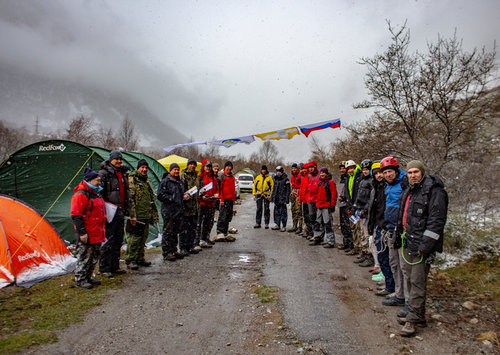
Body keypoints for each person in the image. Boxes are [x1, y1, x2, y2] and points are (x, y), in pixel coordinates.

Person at [396, 160, 448, 337]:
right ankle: (420, 315)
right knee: (411, 279)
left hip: (421, 247)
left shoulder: (435, 192)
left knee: (417, 282)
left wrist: (425, 246)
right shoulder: (409, 190)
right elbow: (403, 216)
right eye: (409, 172)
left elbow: (436, 221)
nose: (412, 175)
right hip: (408, 242)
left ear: (422, 172)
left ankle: (412, 320)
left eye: (415, 172)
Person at [380, 156, 409, 310]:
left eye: (390, 171)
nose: (388, 175)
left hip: (402, 231)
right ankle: (399, 293)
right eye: (385, 173)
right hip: (390, 229)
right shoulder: (388, 186)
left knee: (404, 266)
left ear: (396, 171)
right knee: (394, 263)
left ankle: (407, 298)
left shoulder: (404, 184)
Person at [71, 168, 106, 289]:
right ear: (90, 180)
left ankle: (88, 277)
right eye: (97, 180)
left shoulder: (95, 193)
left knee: (94, 256)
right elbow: (76, 215)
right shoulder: (81, 195)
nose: (99, 182)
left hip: (97, 230)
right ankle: (80, 279)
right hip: (87, 231)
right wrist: (82, 233)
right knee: (85, 256)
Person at [99, 150, 130, 278]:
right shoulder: (104, 174)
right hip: (109, 213)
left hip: (120, 212)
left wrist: (127, 209)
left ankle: (115, 266)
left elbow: (126, 193)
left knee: (118, 240)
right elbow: (100, 194)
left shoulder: (122, 173)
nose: (119, 161)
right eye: (116, 159)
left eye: (120, 159)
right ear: (111, 159)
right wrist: (103, 212)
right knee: (108, 241)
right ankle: (105, 268)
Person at [367, 162, 395, 295]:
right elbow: (373, 208)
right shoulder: (376, 188)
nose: (379, 175)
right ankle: (389, 283)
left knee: (390, 258)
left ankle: (392, 286)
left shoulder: (389, 188)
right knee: (382, 256)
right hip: (378, 225)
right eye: (376, 173)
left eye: (381, 172)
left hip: (388, 226)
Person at [126, 159, 159, 269]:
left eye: (146, 168)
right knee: (134, 239)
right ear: (138, 168)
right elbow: (131, 199)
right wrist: (132, 215)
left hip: (146, 214)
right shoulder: (132, 179)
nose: (144, 170)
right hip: (136, 215)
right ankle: (131, 260)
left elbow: (150, 197)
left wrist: (152, 214)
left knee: (143, 238)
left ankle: (140, 258)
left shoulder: (145, 180)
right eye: (142, 167)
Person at [157, 163, 188, 261]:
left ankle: (173, 249)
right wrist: (171, 198)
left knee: (175, 232)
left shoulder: (179, 182)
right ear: (170, 170)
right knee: (168, 232)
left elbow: (181, 194)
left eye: (177, 169)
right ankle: (167, 252)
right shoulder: (165, 182)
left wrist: (185, 197)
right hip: (169, 211)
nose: (176, 171)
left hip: (178, 211)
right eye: (174, 169)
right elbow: (160, 195)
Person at [354, 159, 375, 267]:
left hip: (366, 212)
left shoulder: (372, 181)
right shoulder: (362, 181)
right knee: (361, 233)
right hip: (360, 209)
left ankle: (369, 256)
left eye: (367, 169)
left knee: (367, 235)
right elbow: (359, 196)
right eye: (363, 170)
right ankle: (364, 253)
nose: (365, 171)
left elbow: (370, 198)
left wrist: (366, 209)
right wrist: (356, 206)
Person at [311, 167, 337, 247]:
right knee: (317, 223)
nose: (322, 174)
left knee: (328, 224)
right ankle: (317, 238)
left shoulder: (330, 182)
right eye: (321, 173)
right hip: (319, 206)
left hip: (326, 206)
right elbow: (317, 195)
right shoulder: (320, 183)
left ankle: (330, 241)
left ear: (326, 173)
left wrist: (332, 205)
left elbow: (334, 194)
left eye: (323, 173)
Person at [197, 160, 219, 248]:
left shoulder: (213, 178)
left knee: (208, 222)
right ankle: (198, 240)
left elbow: (217, 189)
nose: (208, 168)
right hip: (202, 203)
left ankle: (206, 238)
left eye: (209, 167)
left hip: (211, 203)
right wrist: (201, 197)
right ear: (203, 167)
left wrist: (216, 196)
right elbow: (197, 190)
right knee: (199, 223)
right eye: (206, 166)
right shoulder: (199, 177)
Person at [180, 158, 201, 255]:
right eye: (191, 164)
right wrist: (184, 196)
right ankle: (183, 247)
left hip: (195, 206)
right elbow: (181, 190)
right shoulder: (183, 175)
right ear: (188, 165)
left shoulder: (197, 176)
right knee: (185, 228)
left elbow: (198, 188)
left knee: (193, 228)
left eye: (194, 164)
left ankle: (190, 246)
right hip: (186, 207)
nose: (192, 166)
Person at [343, 160, 363, 255]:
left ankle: (362, 249)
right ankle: (356, 247)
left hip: (358, 207)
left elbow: (359, 193)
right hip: (351, 207)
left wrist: (356, 205)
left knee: (359, 229)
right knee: (353, 228)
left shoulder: (359, 177)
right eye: (349, 169)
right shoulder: (348, 178)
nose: (350, 170)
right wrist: (349, 206)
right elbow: (348, 193)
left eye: (352, 168)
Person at [215, 161, 236, 241]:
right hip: (224, 199)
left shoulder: (232, 176)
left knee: (228, 216)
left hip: (230, 199)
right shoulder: (222, 175)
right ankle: (219, 231)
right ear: (225, 167)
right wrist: (221, 199)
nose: (229, 168)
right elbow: (219, 188)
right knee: (222, 216)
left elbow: (233, 188)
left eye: (230, 167)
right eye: (228, 166)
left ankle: (225, 231)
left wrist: (234, 199)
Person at [337, 161, 354, 251]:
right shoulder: (342, 178)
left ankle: (351, 244)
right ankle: (346, 243)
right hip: (342, 204)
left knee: (348, 225)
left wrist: (345, 199)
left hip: (347, 204)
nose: (342, 170)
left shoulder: (349, 178)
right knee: (343, 225)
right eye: (341, 168)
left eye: (343, 168)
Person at [271, 166, 291, 232]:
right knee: (276, 212)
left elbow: (288, 190)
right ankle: (277, 224)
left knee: (283, 213)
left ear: (282, 171)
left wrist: (287, 199)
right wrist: (272, 197)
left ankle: (284, 226)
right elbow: (274, 189)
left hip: (283, 199)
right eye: (277, 171)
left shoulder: (286, 179)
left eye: (279, 171)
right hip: (277, 199)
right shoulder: (275, 179)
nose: (278, 172)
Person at [304, 161, 320, 239]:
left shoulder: (319, 176)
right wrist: (307, 199)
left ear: (315, 167)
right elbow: (307, 188)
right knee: (312, 218)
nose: (310, 169)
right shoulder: (309, 176)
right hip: (310, 200)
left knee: (318, 219)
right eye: (309, 167)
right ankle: (313, 234)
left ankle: (318, 235)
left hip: (317, 200)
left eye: (312, 167)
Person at [289, 163, 303, 232]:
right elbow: (292, 185)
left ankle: (300, 227)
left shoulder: (300, 176)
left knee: (299, 211)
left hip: (298, 194)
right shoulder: (292, 177)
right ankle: (294, 226)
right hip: (293, 195)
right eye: (293, 168)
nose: (293, 169)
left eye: (295, 168)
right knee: (293, 210)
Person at [298, 163, 310, 236]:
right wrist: (300, 199)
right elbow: (301, 189)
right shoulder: (303, 177)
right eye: (303, 169)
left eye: (305, 168)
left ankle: (309, 231)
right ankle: (305, 230)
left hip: (309, 200)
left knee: (309, 217)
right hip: (304, 200)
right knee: (305, 216)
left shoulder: (309, 177)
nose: (304, 170)